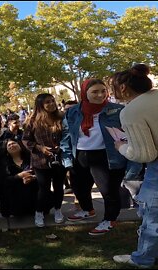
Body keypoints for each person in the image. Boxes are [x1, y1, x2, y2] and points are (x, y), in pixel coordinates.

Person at [61, 78, 127, 235]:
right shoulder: (73, 111)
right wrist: (67, 158)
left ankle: (110, 219)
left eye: (103, 91)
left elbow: (126, 133)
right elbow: (66, 136)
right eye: (95, 92)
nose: (100, 95)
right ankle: (87, 209)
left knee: (108, 191)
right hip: (81, 154)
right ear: (85, 93)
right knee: (79, 187)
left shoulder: (117, 110)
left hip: (106, 155)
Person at [109, 64, 158, 268]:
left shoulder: (131, 111)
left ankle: (143, 259)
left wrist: (121, 146)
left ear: (122, 88)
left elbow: (144, 154)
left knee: (152, 216)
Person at [22, 93, 66, 228]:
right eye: (48, 102)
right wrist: (40, 148)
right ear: (40, 105)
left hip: (59, 159)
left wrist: (62, 146)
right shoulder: (33, 120)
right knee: (44, 189)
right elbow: (25, 140)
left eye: (53, 100)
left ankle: (58, 210)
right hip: (40, 161)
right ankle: (39, 212)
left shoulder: (61, 117)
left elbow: (68, 135)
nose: (52, 103)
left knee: (59, 187)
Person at [1, 139, 38, 217]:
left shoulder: (30, 158)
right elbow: (4, 180)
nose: (12, 146)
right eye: (9, 145)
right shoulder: (5, 163)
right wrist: (19, 176)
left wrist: (33, 177)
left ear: (20, 145)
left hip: (33, 190)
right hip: (16, 195)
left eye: (14, 143)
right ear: (6, 150)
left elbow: (40, 173)